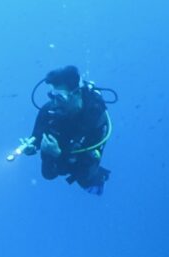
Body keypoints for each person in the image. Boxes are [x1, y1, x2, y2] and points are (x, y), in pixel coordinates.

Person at [21, 65, 111, 194]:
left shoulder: (95, 117)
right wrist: (32, 146)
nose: (55, 103)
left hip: (82, 153)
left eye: (60, 97)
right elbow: (37, 137)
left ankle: (99, 179)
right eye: (52, 95)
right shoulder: (50, 110)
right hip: (61, 148)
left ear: (76, 93)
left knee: (86, 179)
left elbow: (84, 168)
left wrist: (58, 154)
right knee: (48, 173)